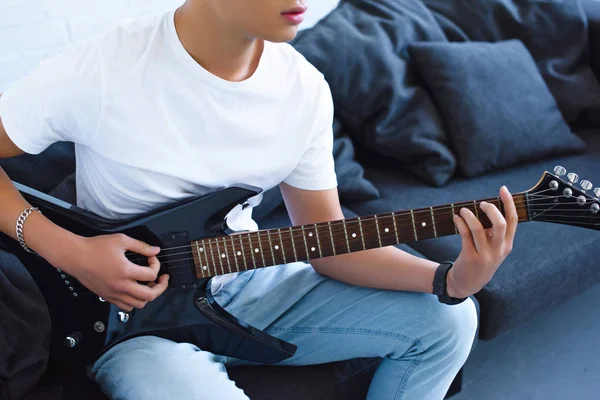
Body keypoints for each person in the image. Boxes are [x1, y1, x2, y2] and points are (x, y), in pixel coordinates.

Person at [0, 0, 518, 398]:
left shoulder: (303, 89)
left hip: (254, 284)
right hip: (130, 320)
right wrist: (68, 251)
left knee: (452, 319)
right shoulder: (106, 66)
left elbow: (328, 241)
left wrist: (448, 280)